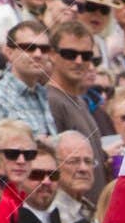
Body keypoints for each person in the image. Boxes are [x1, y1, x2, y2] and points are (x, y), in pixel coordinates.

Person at [46, 18, 107, 192]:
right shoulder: (51, 100)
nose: (79, 61)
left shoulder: (81, 101)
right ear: (52, 54)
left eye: (86, 56)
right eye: (70, 54)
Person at [0, 20, 56, 142]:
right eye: (29, 48)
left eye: (44, 49)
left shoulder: (43, 95)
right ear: (9, 52)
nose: (38, 54)